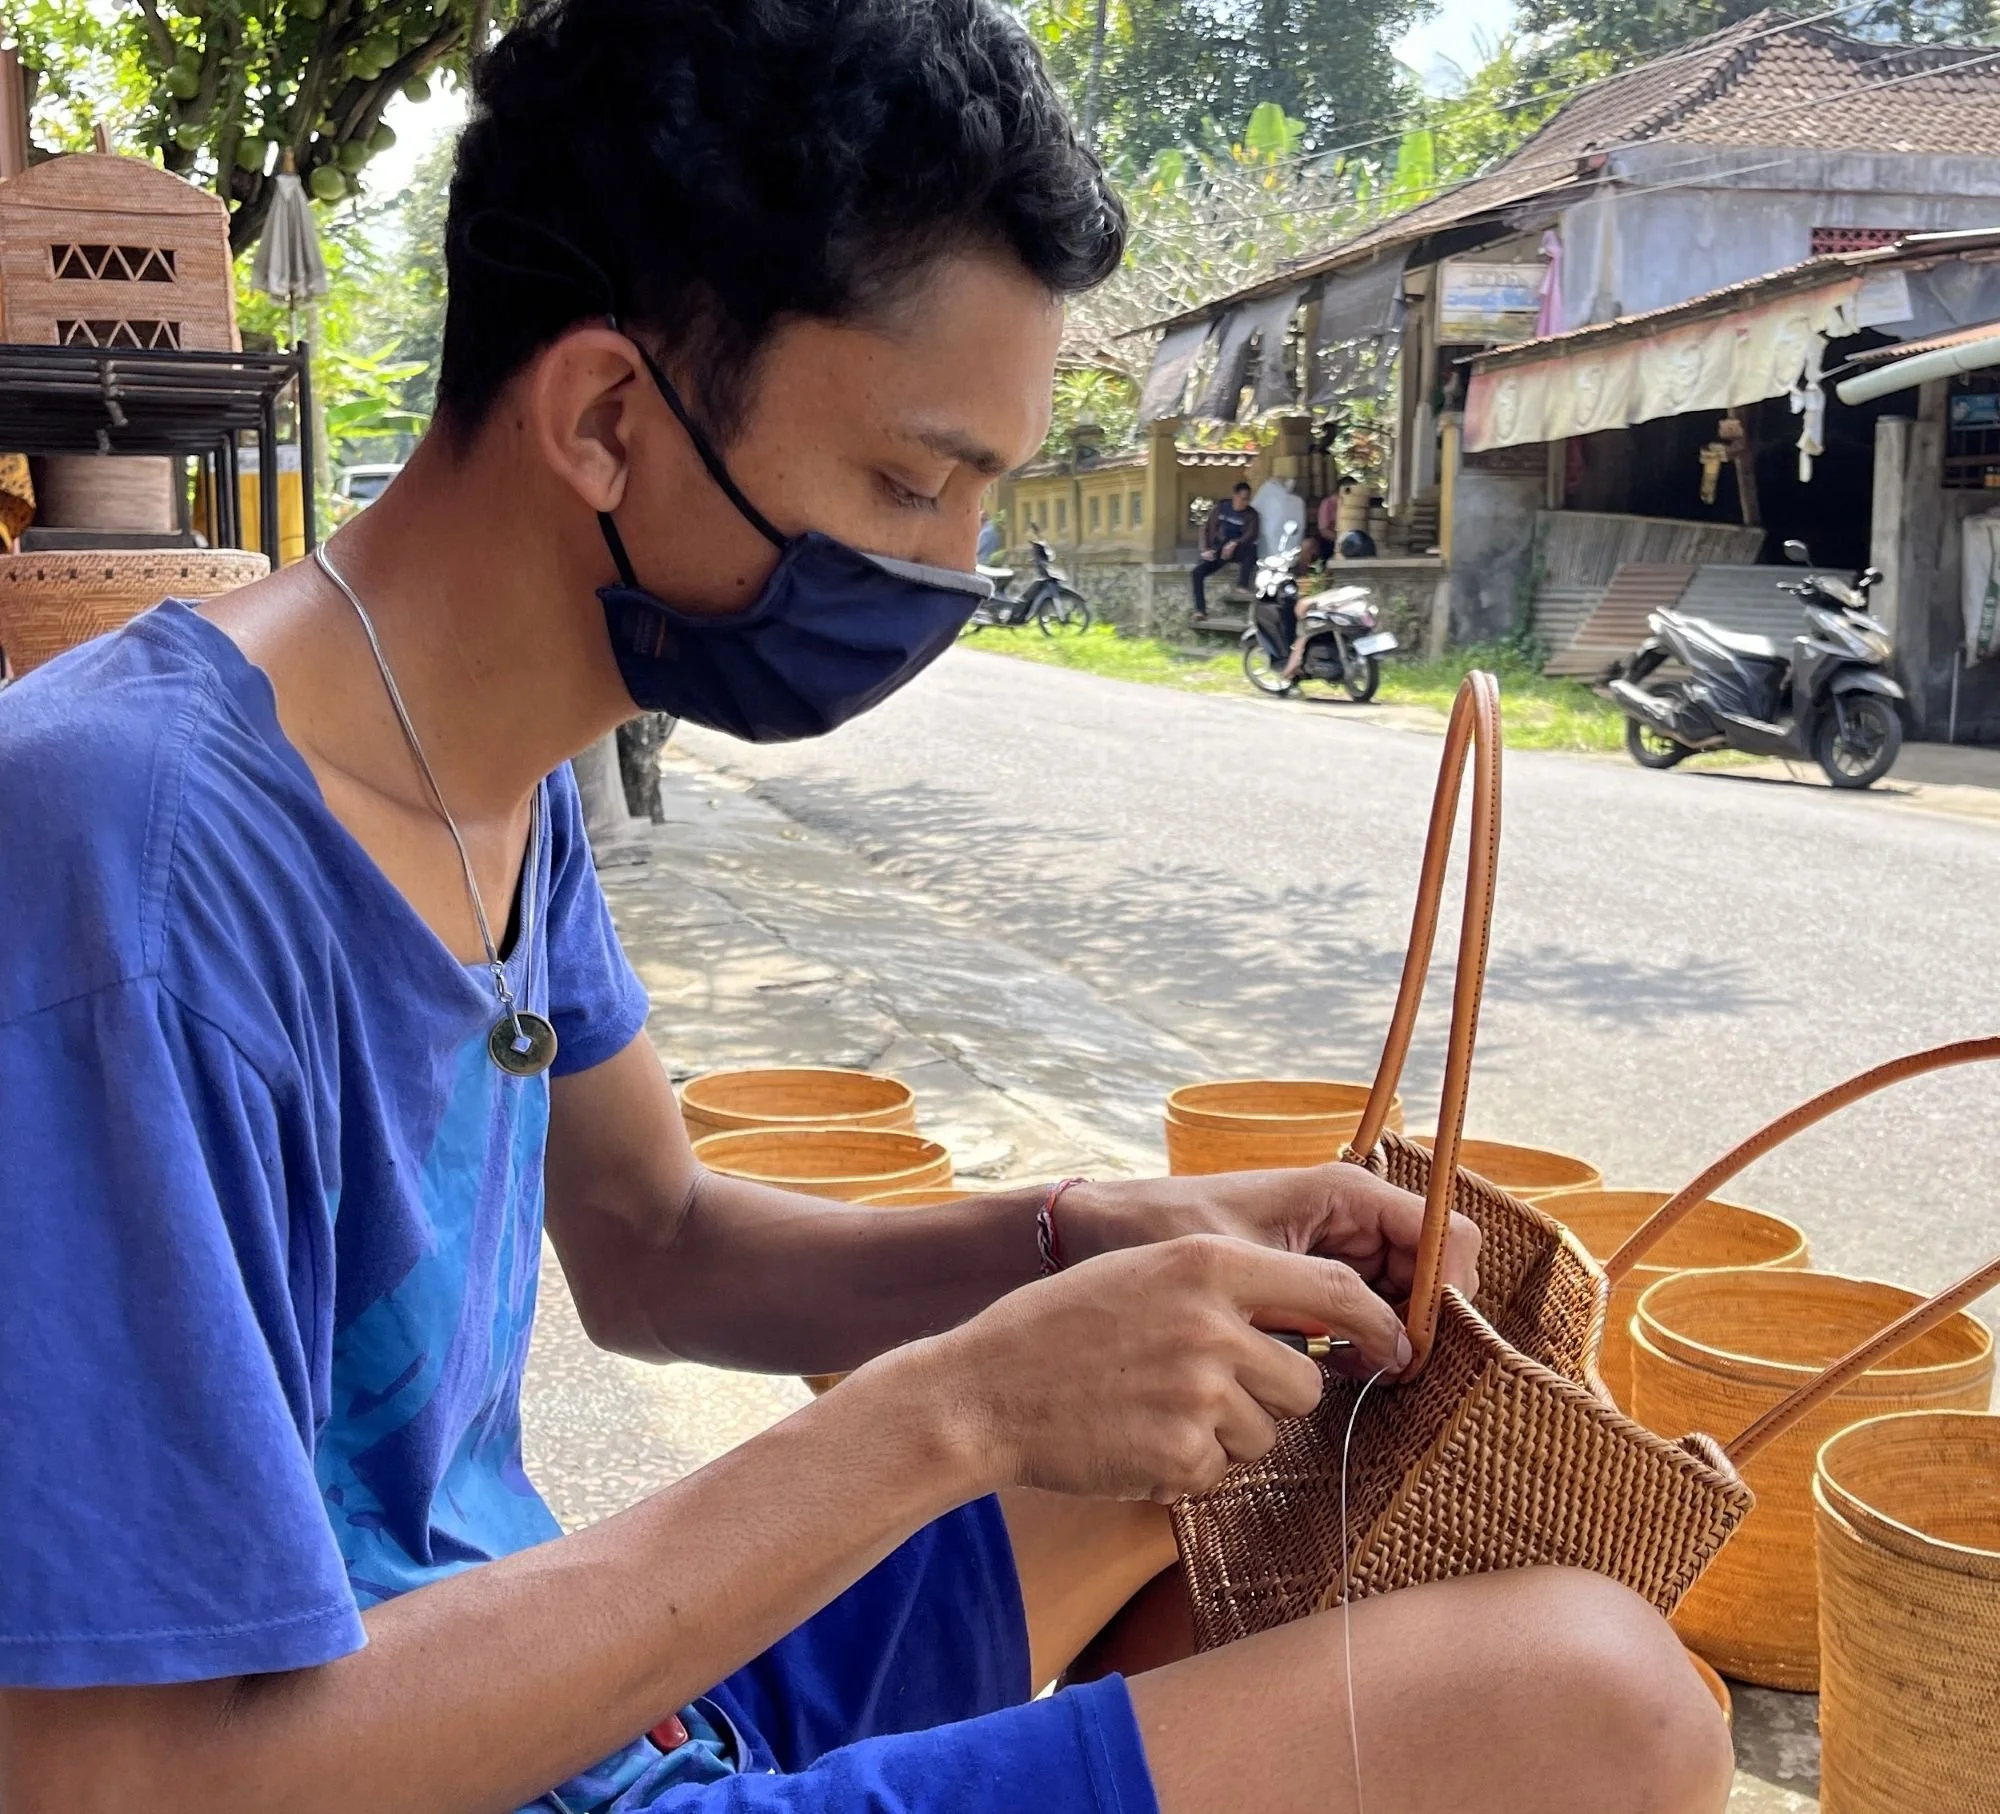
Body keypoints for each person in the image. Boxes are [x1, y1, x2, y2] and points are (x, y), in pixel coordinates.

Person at [0, 5, 1733, 1814]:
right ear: (604, 417)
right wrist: (954, 1410)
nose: (950, 573)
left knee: (1219, 1431)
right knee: (1610, 1704)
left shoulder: (486, 765)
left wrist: (1079, 1244)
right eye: (910, 483)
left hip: (545, 1685)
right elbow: (123, 1787)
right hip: (357, 1758)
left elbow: (656, 1241)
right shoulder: (123, 870)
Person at [1190, 480, 1259, 619]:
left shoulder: (1251, 514)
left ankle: (1242, 586)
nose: (1245, 502)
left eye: (1247, 499)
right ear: (1235, 496)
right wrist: (1205, 549)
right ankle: (1200, 610)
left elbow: (1251, 534)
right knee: (1197, 572)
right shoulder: (1221, 508)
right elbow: (1205, 528)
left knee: (1252, 550)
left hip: (1239, 549)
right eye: (1242, 499)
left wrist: (1235, 543)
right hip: (1219, 550)